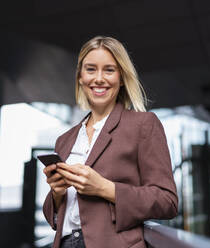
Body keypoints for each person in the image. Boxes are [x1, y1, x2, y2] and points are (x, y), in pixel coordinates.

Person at [43, 36, 178, 248]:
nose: (98, 78)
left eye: (109, 70)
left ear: (121, 78)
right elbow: (57, 218)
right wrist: (57, 193)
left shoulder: (143, 125)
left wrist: (104, 188)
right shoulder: (65, 140)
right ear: (80, 77)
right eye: (90, 69)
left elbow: (167, 201)